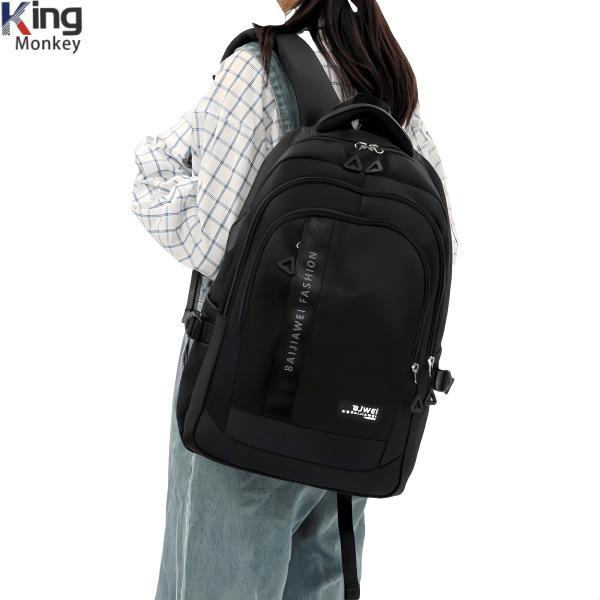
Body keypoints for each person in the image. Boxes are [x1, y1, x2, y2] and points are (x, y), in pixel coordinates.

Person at [132, 1, 457, 598]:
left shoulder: (255, 68)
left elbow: (209, 240)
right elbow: (446, 239)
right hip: (350, 426)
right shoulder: (382, 75)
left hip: (245, 412)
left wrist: (160, 170)